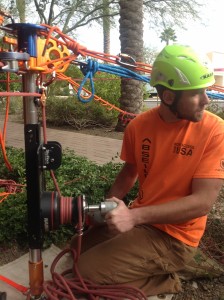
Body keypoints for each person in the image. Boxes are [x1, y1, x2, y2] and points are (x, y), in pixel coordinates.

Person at [71, 44, 224, 297]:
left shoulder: (215, 131)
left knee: (84, 273)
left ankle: (165, 281)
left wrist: (132, 218)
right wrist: (107, 208)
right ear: (168, 97)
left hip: (175, 237)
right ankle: (138, 264)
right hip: (142, 221)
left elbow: (201, 204)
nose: (207, 100)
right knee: (74, 251)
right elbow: (129, 172)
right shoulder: (138, 126)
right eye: (197, 93)